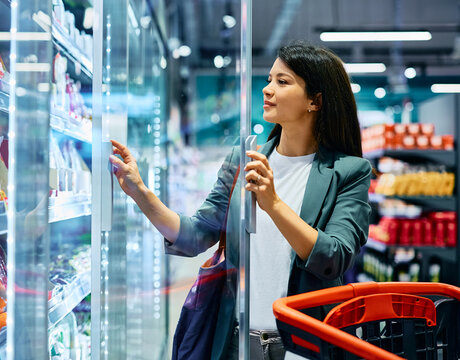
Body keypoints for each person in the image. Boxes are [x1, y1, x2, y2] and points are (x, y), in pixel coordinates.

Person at [109, 41, 372, 360]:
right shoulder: (243, 160)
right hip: (236, 342)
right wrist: (139, 191)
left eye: (282, 81)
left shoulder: (348, 172)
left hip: (305, 347)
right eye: (269, 79)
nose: (268, 89)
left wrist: (273, 204)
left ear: (315, 101)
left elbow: (333, 257)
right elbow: (196, 234)